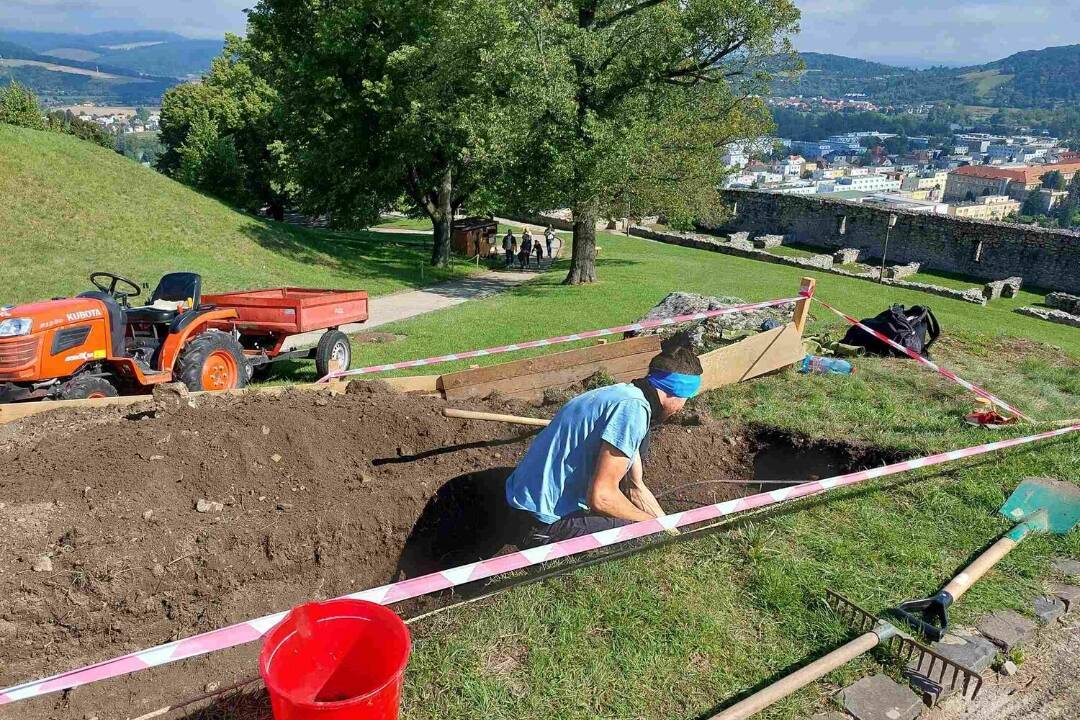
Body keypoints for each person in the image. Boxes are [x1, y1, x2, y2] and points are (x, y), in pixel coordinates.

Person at [505, 339, 703, 545]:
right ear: (676, 391)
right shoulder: (632, 411)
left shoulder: (623, 396)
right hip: (541, 521)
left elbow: (635, 488)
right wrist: (653, 527)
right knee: (641, 538)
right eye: (686, 399)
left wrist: (670, 531)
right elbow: (601, 497)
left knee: (648, 528)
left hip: (521, 503)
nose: (682, 408)